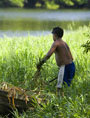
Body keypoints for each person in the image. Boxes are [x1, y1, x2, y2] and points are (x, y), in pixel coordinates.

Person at [37, 27, 75, 96]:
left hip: (65, 67)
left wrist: (40, 64)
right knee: (66, 86)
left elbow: (48, 55)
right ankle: (65, 101)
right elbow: (71, 57)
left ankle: (59, 102)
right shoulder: (64, 43)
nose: (52, 36)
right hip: (72, 66)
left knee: (60, 87)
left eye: (53, 35)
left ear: (55, 35)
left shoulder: (56, 43)